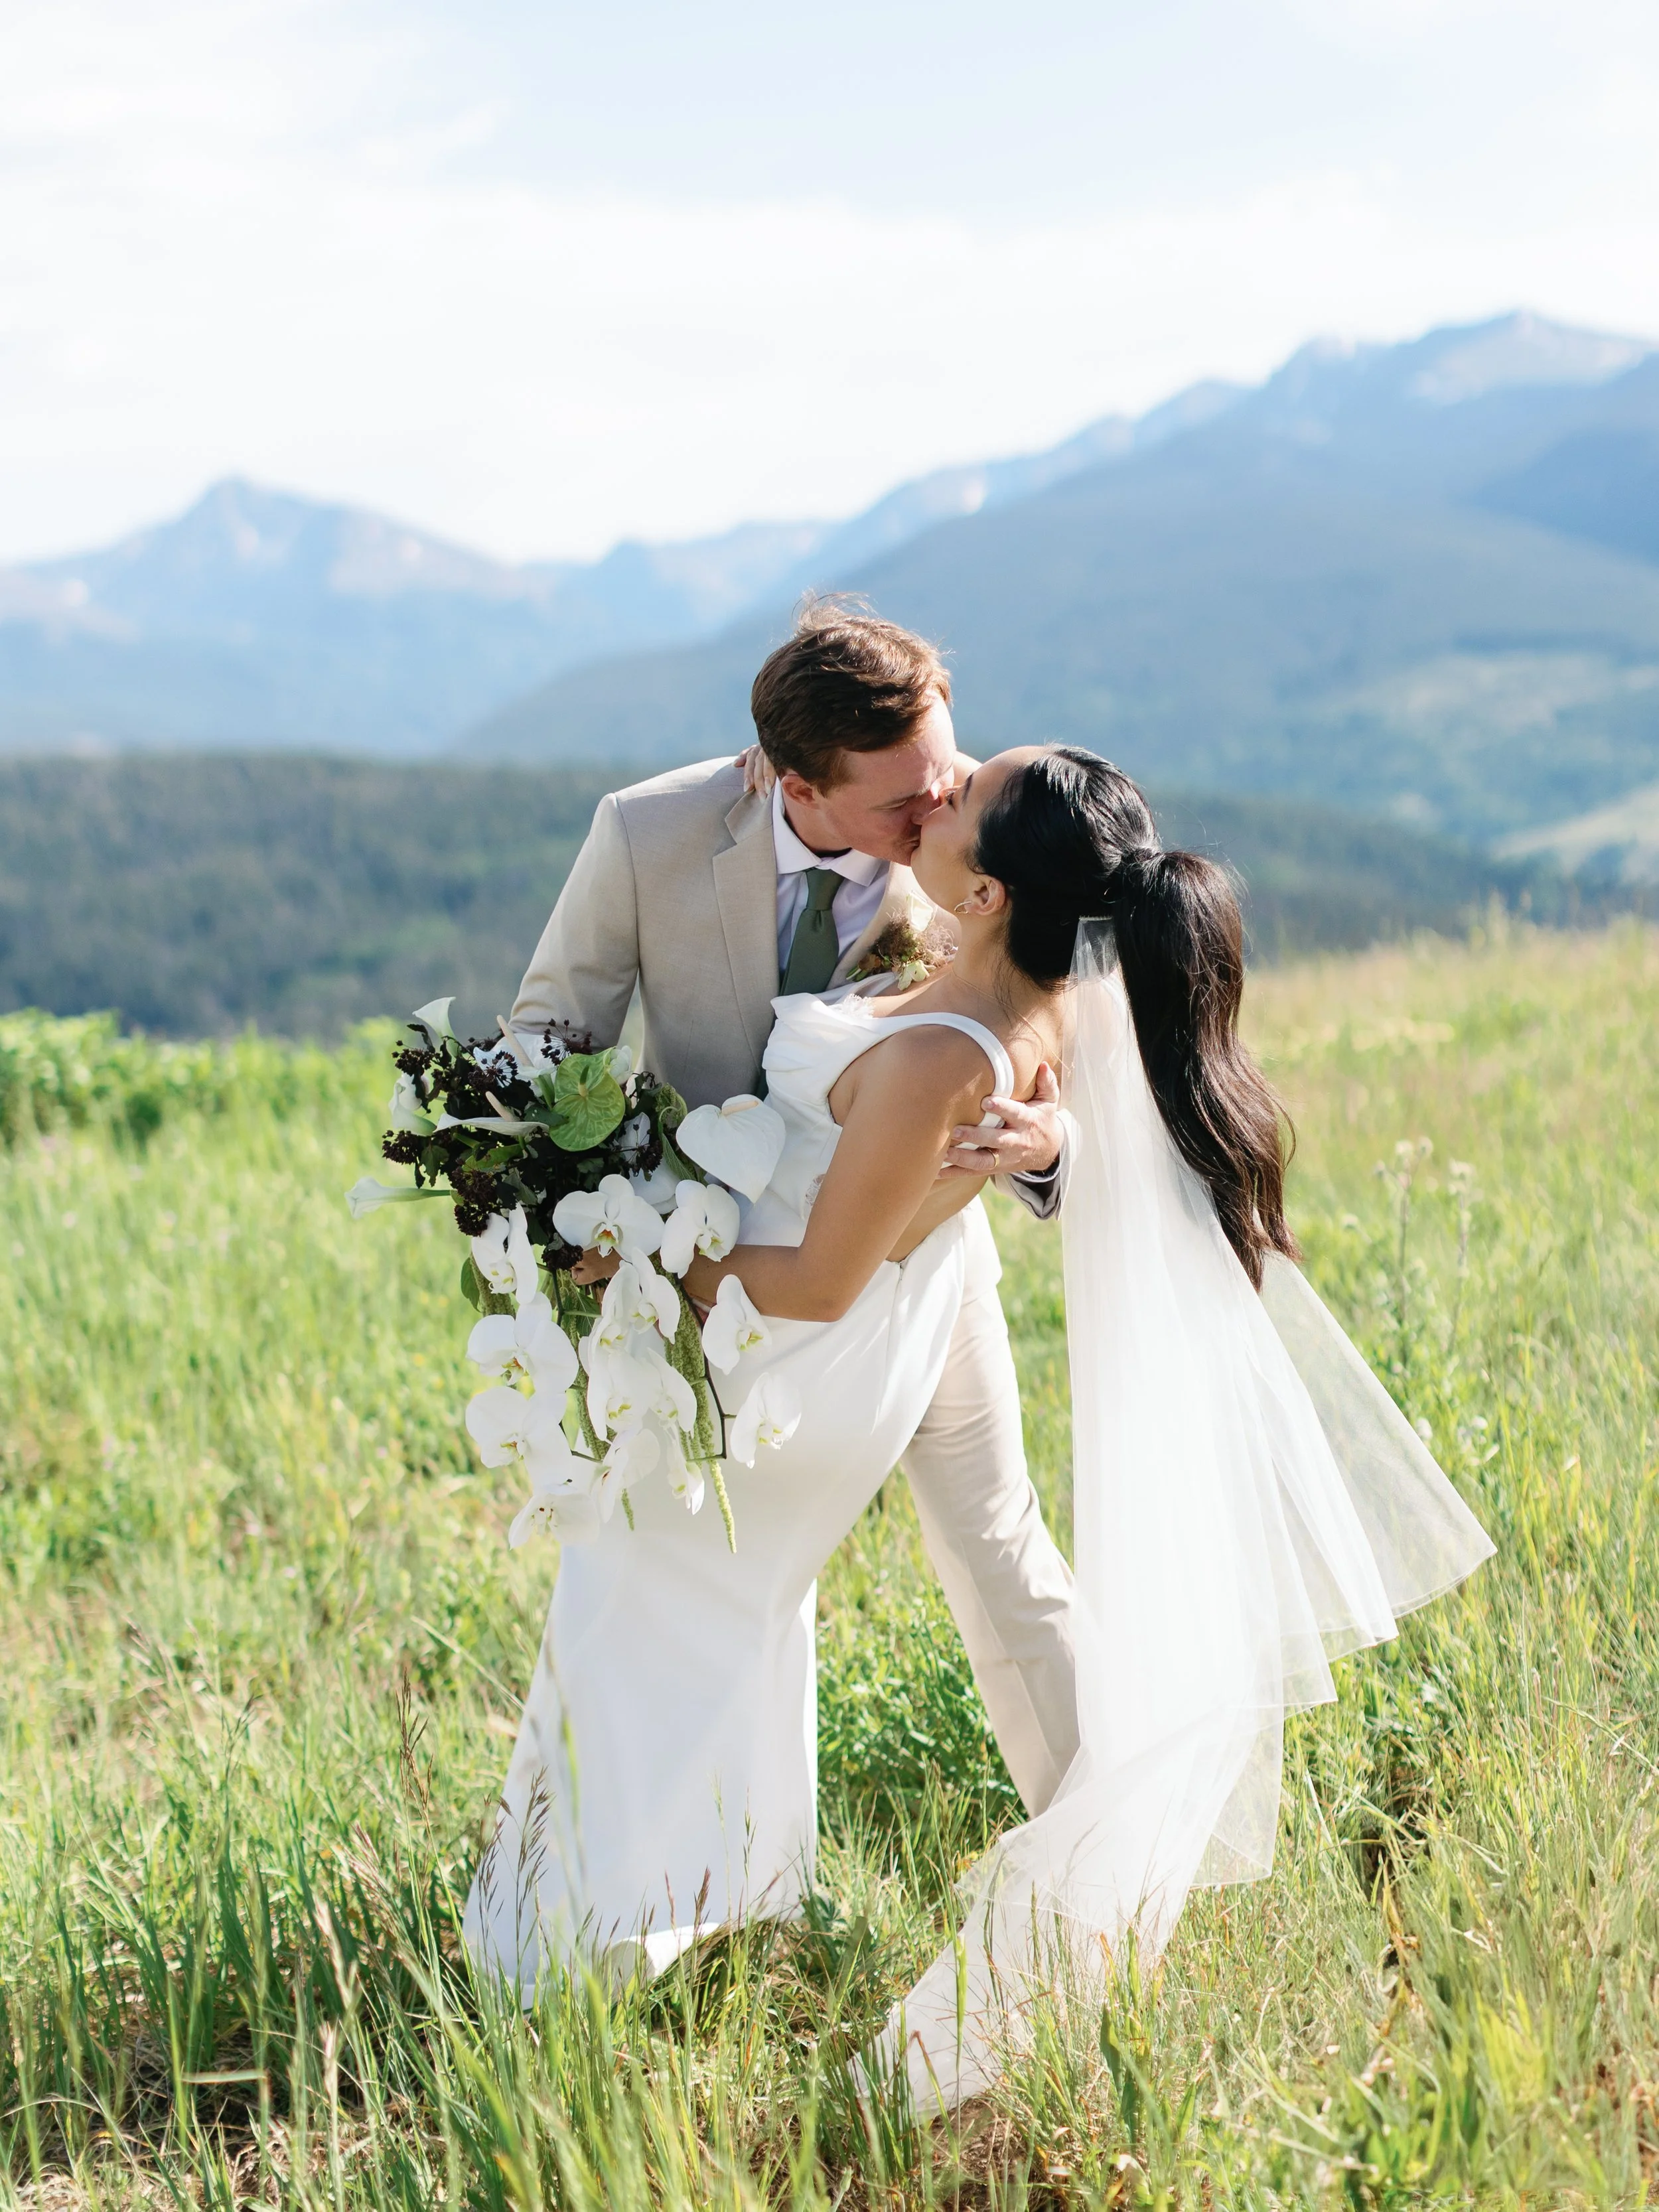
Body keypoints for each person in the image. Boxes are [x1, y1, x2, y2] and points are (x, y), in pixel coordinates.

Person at [464, 740, 1493, 2091]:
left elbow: (822, 1278)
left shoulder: (953, 1038)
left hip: (806, 1342)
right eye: (936, 767)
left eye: (964, 783)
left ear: (1000, 891)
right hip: (847, 1317)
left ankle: (577, 1938)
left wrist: (642, 1252)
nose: (939, 785)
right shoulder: (1025, 968)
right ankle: (694, 1896)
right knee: (745, 1595)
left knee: (657, 1585)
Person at [498, 601, 1082, 1827]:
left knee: (1000, 1550)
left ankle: (1109, 1836)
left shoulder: (967, 849)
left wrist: (1050, 1142)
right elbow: (551, 1025)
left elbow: (1059, 1016)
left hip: (920, 1262)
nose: (940, 814)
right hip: (729, 1274)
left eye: (948, 777)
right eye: (904, 805)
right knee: (702, 1573)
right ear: (795, 782)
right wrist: (577, 1206)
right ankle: (698, 1865)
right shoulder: (648, 833)